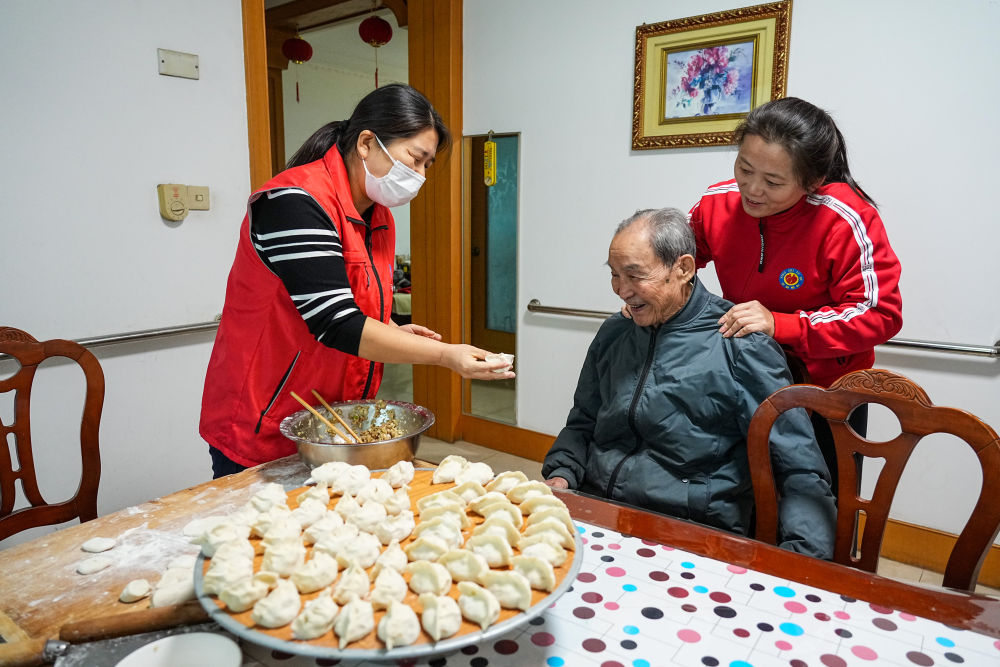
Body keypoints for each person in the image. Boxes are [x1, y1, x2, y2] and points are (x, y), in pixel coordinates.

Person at [200, 84, 513, 477]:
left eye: (426, 166)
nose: (418, 177)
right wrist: (446, 355)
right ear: (367, 142)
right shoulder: (294, 202)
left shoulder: (378, 216)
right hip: (264, 416)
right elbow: (334, 322)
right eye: (414, 159)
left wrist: (392, 326)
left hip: (331, 418)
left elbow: (354, 300)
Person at [542, 208, 835, 558]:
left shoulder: (740, 343)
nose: (621, 290)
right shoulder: (615, 333)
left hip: (690, 527)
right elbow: (583, 421)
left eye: (635, 276)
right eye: (615, 275)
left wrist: (804, 561)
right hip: (599, 507)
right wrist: (561, 474)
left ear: (682, 269)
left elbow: (796, 463)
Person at [688, 97, 902, 484]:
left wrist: (781, 325)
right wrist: (646, 290)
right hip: (744, 378)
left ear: (813, 181)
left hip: (827, 394)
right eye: (744, 168)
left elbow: (879, 312)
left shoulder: (844, 219)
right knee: (741, 498)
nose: (752, 189)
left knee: (822, 509)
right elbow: (676, 262)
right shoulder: (716, 204)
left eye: (773, 182)